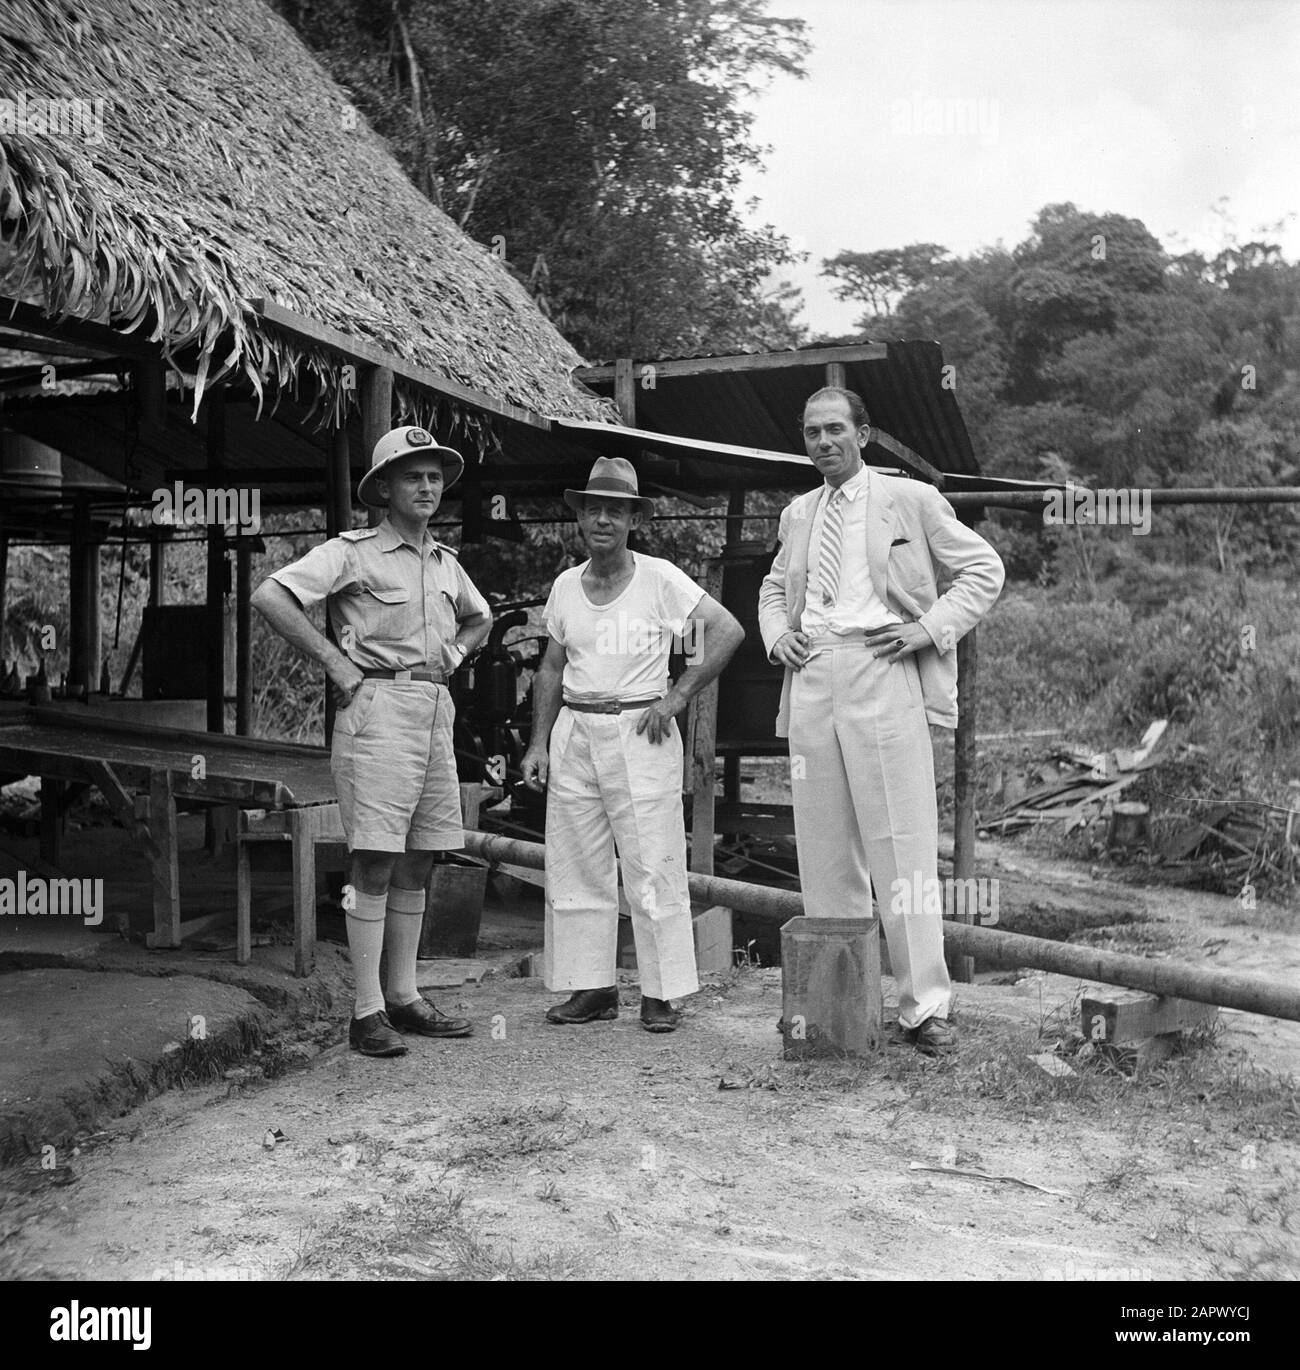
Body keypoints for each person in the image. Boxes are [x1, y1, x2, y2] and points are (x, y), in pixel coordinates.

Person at [758, 388, 1004, 1053]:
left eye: (836, 429)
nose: (824, 442)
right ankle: (838, 1007)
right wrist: (778, 634)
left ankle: (925, 1008)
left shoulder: (910, 500)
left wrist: (927, 629)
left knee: (903, 845)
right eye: (812, 432)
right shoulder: (798, 514)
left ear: (862, 433)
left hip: (882, 664)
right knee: (825, 847)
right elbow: (776, 587)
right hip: (813, 675)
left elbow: (984, 569)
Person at [251, 425, 493, 1058]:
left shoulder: (444, 561)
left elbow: (481, 616)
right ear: (383, 489)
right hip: (376, 706)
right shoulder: (352, 552)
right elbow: (271, 594)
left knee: (422, 854)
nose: (427, 486)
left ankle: (406, 997)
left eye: (435, 476)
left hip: (434, 706)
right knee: (376, 857)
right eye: (413, 476)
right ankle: (365, 1011)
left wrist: (459, 653)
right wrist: (335, 664)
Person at [520, 456, 744, 1032]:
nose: (602, 521)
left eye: (615, 512)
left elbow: (726, 631)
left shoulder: (660, 578)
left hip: (639, 730)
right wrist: (538, 743)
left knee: (651, 863)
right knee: (575, 864)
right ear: (580, 517)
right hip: (576, 730)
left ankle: (661, 993)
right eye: (593, 509)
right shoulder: (566, 585)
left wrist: (675, 698)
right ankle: (590, 988)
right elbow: (550, 667)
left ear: (632, 520)